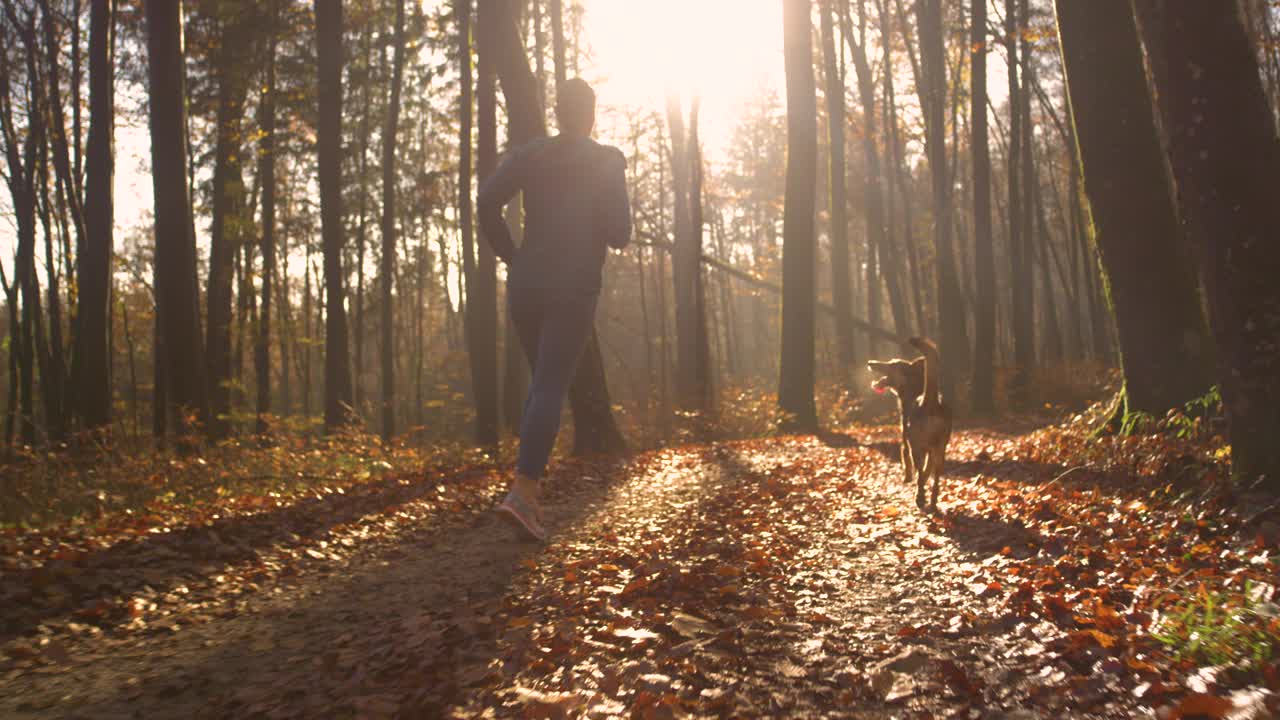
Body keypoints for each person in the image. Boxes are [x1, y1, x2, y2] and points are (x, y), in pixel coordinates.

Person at [477, 78, 631, 541]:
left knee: (540, 385)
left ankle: (528, 495)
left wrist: (513, 256)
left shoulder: (529, 155)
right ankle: (523, 494)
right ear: (590, 115)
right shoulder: (606, 160)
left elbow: (486, 201)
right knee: (546, 386)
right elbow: (620, 234)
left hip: (526, 285)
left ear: (557, 113)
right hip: (572, 287)